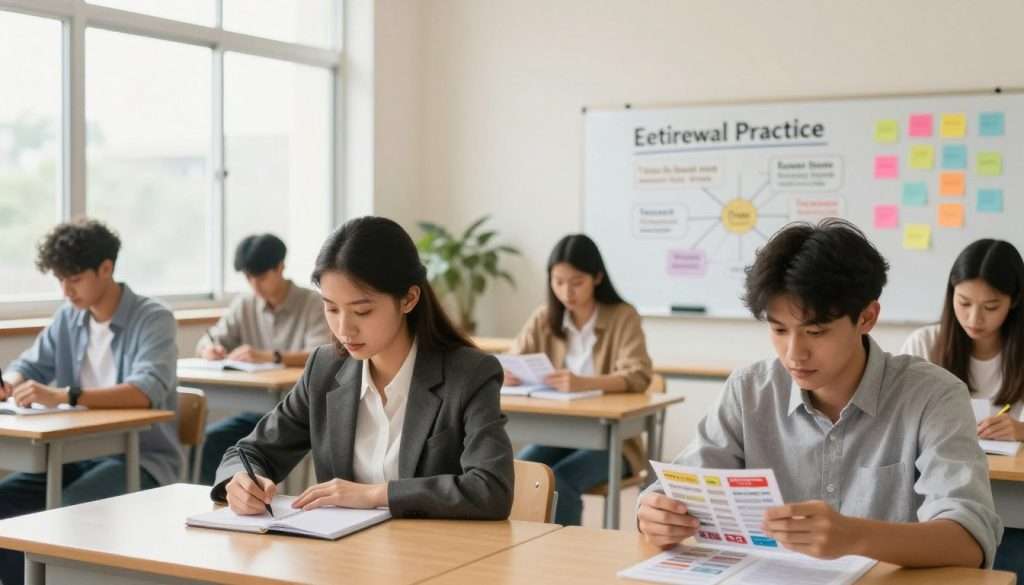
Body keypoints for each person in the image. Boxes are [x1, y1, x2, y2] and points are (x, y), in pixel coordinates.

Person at [637, 219, 1001, 568]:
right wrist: (653, 513)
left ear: (867, 317)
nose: (795, 353)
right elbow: (673, 490)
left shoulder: (933, 396)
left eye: (816, 332)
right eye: (779, 330)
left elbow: (969, 539)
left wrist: (855, 536)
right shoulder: (749, 391)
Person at [212, 216, 513, 520]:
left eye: (362, 311)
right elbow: (247, 452)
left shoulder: (469, 374)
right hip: (343, 556)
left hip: (433, 557)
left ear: (408, 299)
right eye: (331, 308)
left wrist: (374, 495)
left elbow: (490, 489)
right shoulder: (325, 369)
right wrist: (239, 483)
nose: (344, 329)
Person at [0, 219, 179, 585]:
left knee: (69, 506)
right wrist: (11, 382)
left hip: (142, 459)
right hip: (74, 453)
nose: (66, 291)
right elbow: (30, 363)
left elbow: (147, 391)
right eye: (60, 280)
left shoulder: (153, 318)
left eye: (75, 279)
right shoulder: (69, 317)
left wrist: (67, 395)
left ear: (106, 268)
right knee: (5, 500)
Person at [507, 234, 653, 525]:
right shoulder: (544, 318)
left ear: (597, 277)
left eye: (576, 282)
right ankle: (527, 549)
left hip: (614, 442)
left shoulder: (623, 316)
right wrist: (509, 373)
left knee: (561, 480)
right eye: (558, 281)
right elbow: (512, 356)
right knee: (522, 470)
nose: (566, 292)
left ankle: (566, 554)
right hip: (559, 432)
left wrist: (583, 382)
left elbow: (638, 375)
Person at [900, 238, 1024, 577]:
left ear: (1013, 303)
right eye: (964, 302)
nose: (974, 317)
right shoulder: (924, 344)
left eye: (990, 306)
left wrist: (1021, 430)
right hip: (934, 487)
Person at [196, 234, 330, 484]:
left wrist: (269, 357)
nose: (255, 285)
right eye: (249, 277)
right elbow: (210, 339)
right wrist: (210, 349)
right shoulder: (244, 304)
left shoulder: (313, 303)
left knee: (275, 449)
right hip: (256, 412)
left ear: (280, 267)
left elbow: (322, 353)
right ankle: (218, 507)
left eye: (261, 277)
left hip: (297, 412)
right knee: (210, 440)